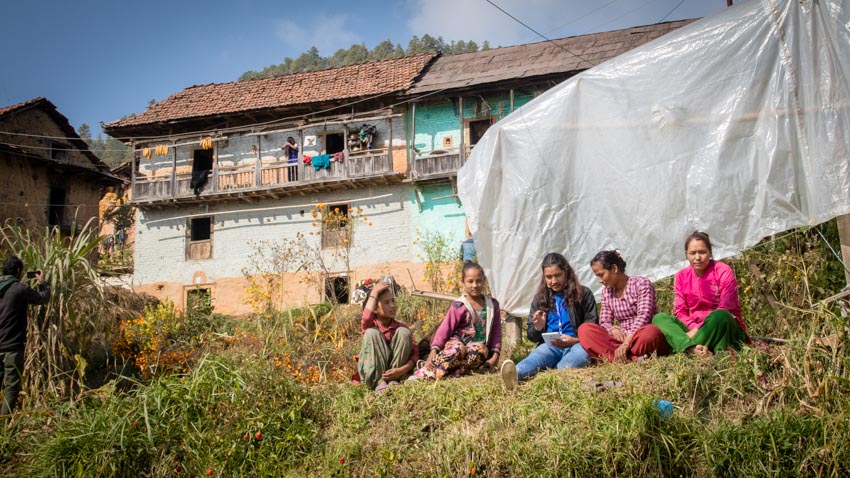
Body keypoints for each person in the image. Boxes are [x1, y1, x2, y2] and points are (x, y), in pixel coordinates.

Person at [501, 252, 596, 389]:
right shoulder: (540, 298)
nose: (553, 281)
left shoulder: (583, 294)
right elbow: (532, 336)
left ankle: (557, 373)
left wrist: (575, 340)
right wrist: (538, 327)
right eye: (549, 277)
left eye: (557, 275)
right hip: (550, 345)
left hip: (577, 344)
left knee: (577, 358)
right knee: (536, 358)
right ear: (544, 277)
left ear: (566, 272)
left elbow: (592, 327)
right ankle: (515, 374)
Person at [652, 231, 748, 356]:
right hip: (692, 328)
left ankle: (681, 349)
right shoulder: (681, 276)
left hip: (722, 327)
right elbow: (680, 312)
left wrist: (698, 330)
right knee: (659, 318)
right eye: (692, 253)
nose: (697, 257)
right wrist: (693, 327)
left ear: (710, 253)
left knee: (720, 315)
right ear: (686, 255)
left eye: (702, 252)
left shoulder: (723, 270)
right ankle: (692, 349)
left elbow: (727, 307)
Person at [577, 250, 669, 363]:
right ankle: (633, 359)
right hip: (620, 341)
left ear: (614, 268)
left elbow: (644, 316)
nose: (599, 281)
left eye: (601, 275)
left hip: (639, 337)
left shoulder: (641, 284)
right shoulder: (606, 292)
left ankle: (622, 357)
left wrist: (627, 342)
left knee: (651, 332)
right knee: (585, 330)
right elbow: (604, 321)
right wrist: (613, 329)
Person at [414, 262, 501, 380]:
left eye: (478, 281)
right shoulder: (459, 306)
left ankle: (454, 372)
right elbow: (445, 328)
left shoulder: (492, 305)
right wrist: (434, 350)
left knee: (481, 350)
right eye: (470, 281)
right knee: (458, 349)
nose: (475, 285)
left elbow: (496, 332)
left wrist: (495, 356)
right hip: (457, 346)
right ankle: (426, 372)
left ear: (484, 281)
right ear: (463, 283)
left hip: (474, 351)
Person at [0, 256, 50, 416]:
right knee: (11, 389)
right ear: (18, 271)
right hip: (12, 348)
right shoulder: (19, 289)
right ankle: (4, 427)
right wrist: (42, 282)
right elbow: (43, 298)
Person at [357, 280, 418, 391]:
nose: (392, 306)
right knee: (371, 332)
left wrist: (401, 370)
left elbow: (415, 355)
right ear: (375, 309)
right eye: (387, 302)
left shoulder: (401, 327)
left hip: (397, 374)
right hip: (375, 376)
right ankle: (378, 382)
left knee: (404, 332)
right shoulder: (371, 325)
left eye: (393, 301)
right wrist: (374, 292)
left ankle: (393, 381)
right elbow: (366, 318)